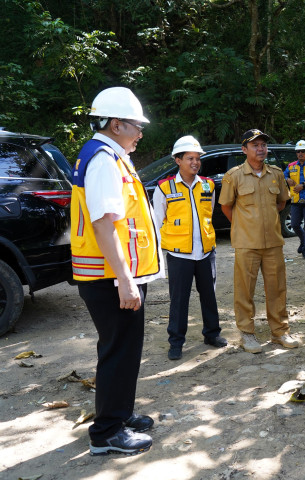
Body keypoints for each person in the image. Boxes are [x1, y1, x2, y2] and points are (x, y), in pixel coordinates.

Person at [71, 87, 164, 455]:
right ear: (115, 124)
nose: (141, 133)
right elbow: (103, 225)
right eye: (136, 126)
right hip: (109, 278)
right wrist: (125, 281)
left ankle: (119, 415)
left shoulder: (113, 155)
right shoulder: (103, 160)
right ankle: (107, 433)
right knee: (118, 351)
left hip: (113, 275)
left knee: (124, 349)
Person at [218, 129, 300, 353]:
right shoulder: (233, 176)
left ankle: (280, 332)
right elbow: (226, 206)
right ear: (244, 150)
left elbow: (282, 202)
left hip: (273, 242)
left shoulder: (276, 174)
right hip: (246, 244)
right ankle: (247, 334)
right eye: (255, 145)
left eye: (263, 144)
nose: (261, 148)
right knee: (244, 290)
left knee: (277, 289)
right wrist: (244, 225)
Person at [153, 136, 227, 361]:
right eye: (189, 158)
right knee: (179, 300)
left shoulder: (208, 185)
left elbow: (209, 213)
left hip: (205, 252)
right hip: (178, 254)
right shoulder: (164, 188)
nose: (195, 162)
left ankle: (212, 334)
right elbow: (156, 222)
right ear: (177, 160)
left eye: (198, 159)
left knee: (209, 296)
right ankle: (176, 342)